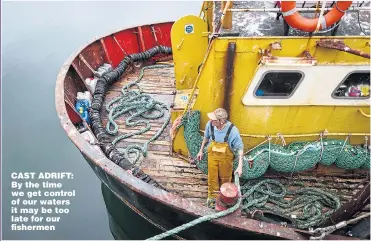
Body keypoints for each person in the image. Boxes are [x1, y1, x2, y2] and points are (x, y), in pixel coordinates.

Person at [196, 108, 244, 209]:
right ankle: (212, 198)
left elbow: (240, 149)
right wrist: (200, 151)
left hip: (226, 158)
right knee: (212, 177)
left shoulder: (233, 131)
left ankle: (225, 198)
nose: (211, 121)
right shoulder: (210, 125)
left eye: (214, 119)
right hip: (212, 156)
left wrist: (240, 166)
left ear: (221, 121)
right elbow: (206, 138)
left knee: (225, 178)